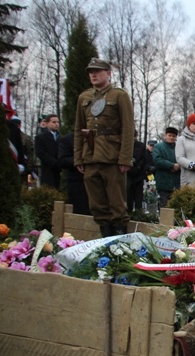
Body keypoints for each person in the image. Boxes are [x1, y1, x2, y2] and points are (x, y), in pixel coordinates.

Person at [74, 58, 135, 237]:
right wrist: (78, 158)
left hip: (113, 157)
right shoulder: (84, 98)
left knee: (117, 206)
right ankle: (105, 241)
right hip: (90, 157)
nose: (93, 74)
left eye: (97, 71)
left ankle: (120, 244)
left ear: (108, 73)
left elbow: (128, 128)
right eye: (90, 71)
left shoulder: (119, 95)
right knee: (97, 205)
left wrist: (125, 158)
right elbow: (79, 129)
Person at [58, 132, 90, 215]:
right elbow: (62, 161)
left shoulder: (99, 138)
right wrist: (80, 160)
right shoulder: (66, 140)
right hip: (77, 183)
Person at [153, 127, 181, 208]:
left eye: (174, 136)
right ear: (165, 136)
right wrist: (172, 165)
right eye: (170, 135)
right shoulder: (158, 147)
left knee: (176, 207)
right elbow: (157, 160)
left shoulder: (179, 148)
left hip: (176, 183)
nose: (171, 137)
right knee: (164, 206)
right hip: (163, 182)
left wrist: (179, 166)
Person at [35, 114, 61, 189]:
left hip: (59, 169)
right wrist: (54, 162)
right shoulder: (40, 137)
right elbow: (40, 152)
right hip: (47, 169)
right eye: (54, 122)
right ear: (47, 124)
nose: (56, 124)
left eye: (57, 122)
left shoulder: (60, 137)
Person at [126, 135, 147, 212]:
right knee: (128, 196)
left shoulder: (141, 146)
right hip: (127, 174)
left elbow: (144, 159)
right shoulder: (125, 145)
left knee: (139, 198)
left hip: (138, 175)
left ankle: (139, 213)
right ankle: (129, 211)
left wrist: (138, 167)